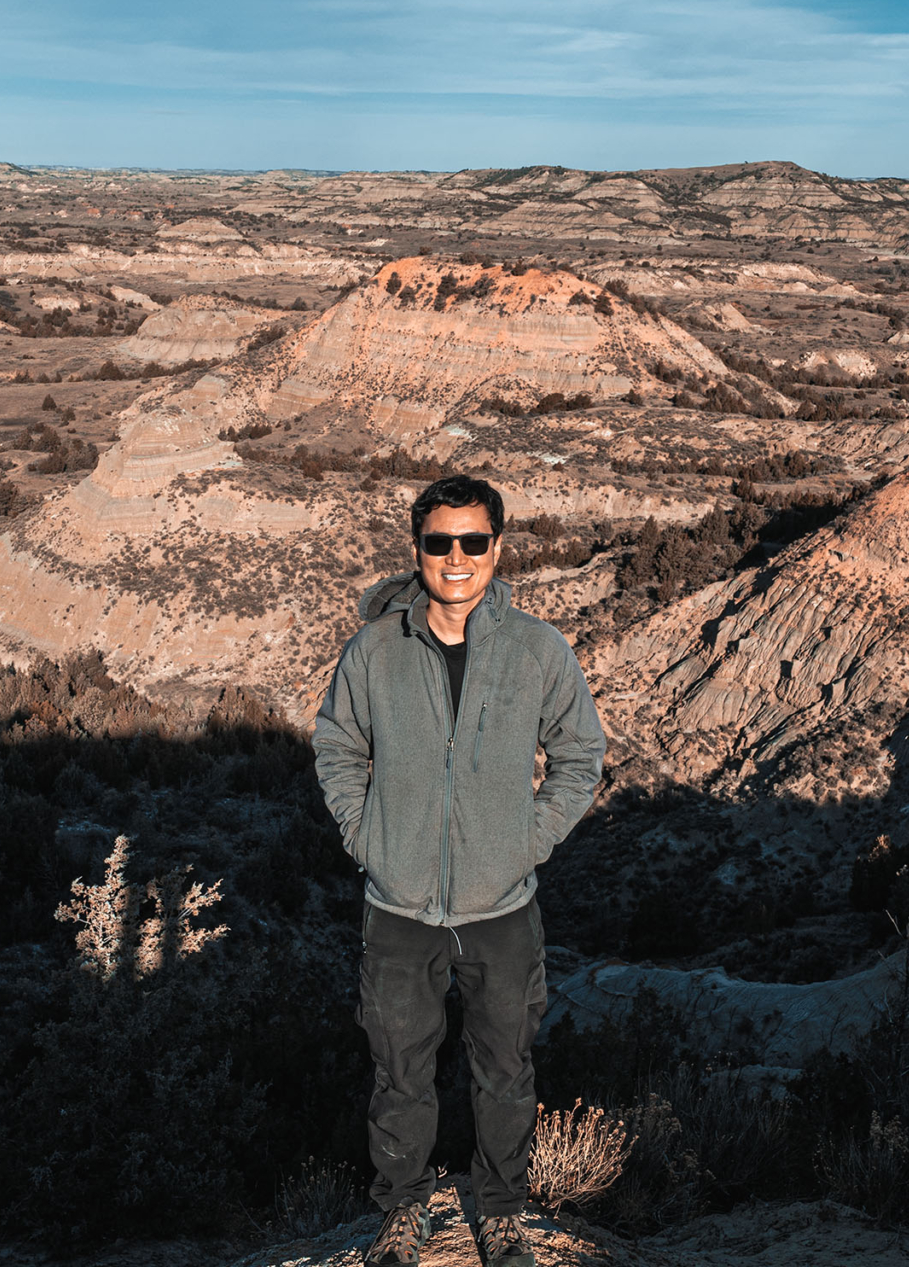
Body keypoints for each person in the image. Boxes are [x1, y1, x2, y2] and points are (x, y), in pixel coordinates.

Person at [312, 474, 608, 1267]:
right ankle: (402, 1214)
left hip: (501, 904)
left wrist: (527, 839)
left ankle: (502, 1212)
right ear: (418, 549)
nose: (456, 557)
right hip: (399, 903)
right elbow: (338, 747)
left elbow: (581, 757)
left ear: (497, 548)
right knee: (398, 1071)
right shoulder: (374, 650)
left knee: (505, 1068)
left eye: (473, 541)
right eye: (440, 541)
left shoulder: (537, 649)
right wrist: (365, 833)